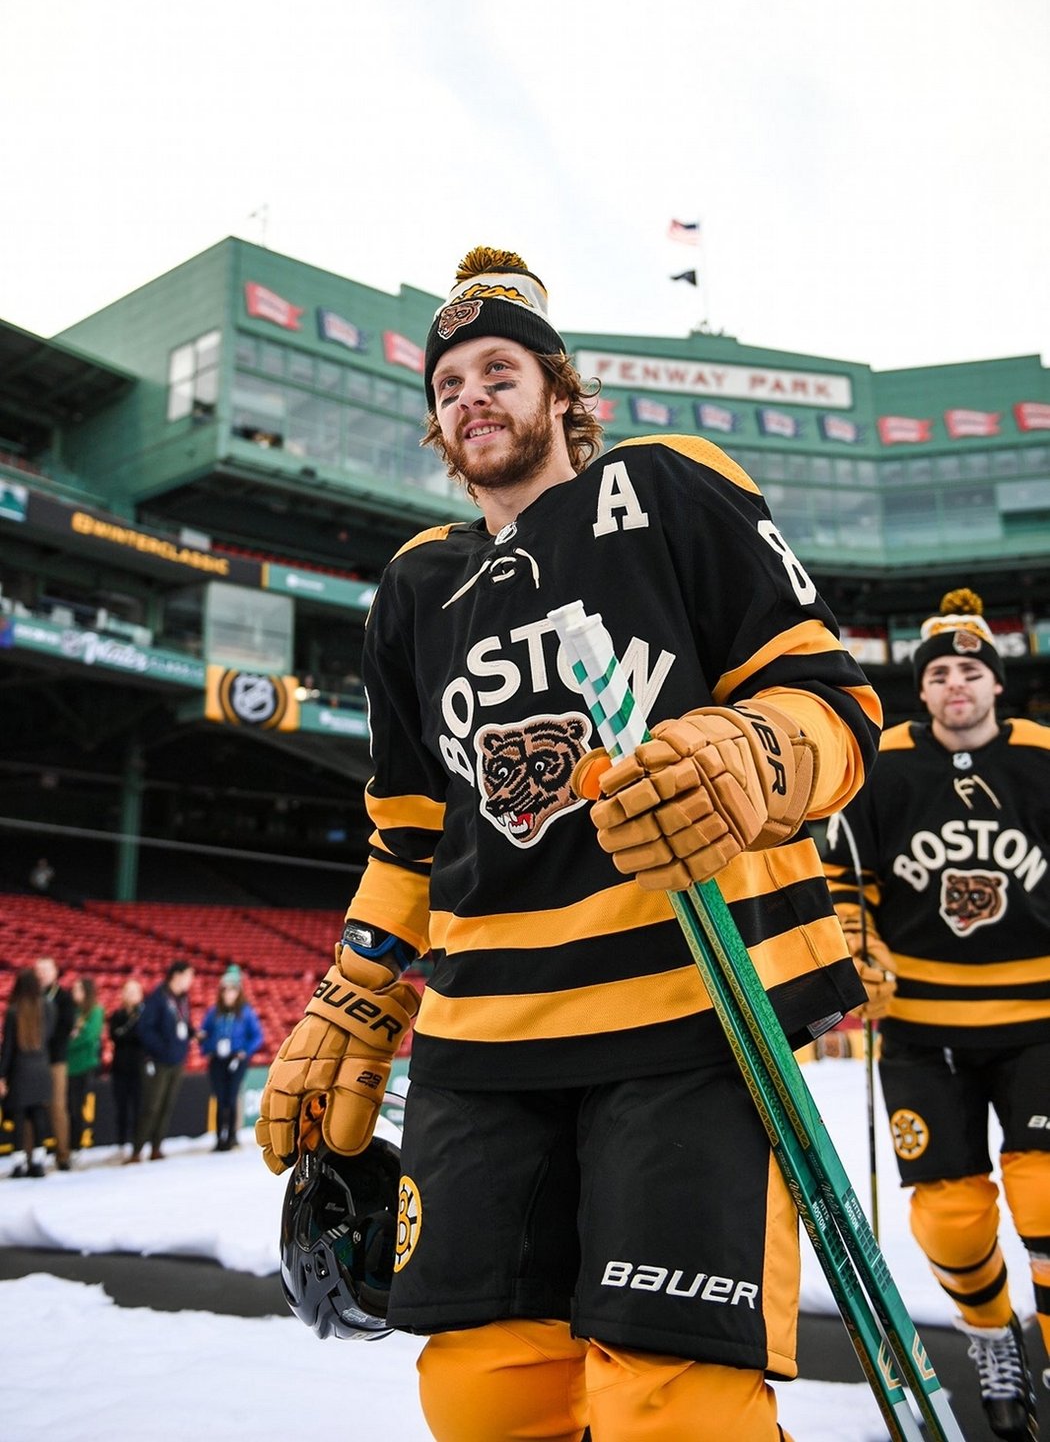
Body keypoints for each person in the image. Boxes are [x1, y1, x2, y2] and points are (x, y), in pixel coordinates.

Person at [256, 245, 881, 1442]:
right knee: (482, 1393)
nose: (471, 396)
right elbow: (410, 829)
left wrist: (752, 753)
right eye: (448, 386)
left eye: (499, 369)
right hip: (480, 1036)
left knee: (671, 1404)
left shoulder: (668, 486)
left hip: (686, 1005)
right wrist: (362, 985)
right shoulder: (411, 588)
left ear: (559, 391)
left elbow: (834, 707)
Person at [823, 588, 1050, 1442]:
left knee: (1047, 1192)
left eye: (971, 671)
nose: (957, 684)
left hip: (1039, 1014)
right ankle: (992, 1340)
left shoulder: (1044, 756)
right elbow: (846, 881)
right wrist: (857, 944)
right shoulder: (882, 765)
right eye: (941, 673)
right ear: (922, 690)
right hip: (920, 1019)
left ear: (997, 684)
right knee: (952, 1217)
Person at [127, 961, 195, 1163]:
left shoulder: (183, 999)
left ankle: (156, 1147)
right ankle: (137, 1150)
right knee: (151, 1106)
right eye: (188, 976)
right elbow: (145, 1029)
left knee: (167, 1106)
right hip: (158, 1062)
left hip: (176, 1061)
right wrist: (162, 1049)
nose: (191, 981)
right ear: (176, 975)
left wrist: (192, 1034)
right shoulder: (157, 998)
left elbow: (182, 1024)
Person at [198, 966, 264, 1151]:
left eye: (232, 990)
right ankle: (219, 1137)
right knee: (220, 1097)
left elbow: (257, 1036)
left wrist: (245, 1051)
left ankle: (233, 1136)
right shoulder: (213, 1012)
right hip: (218, 1060)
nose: (228, 994)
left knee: (232, 1096)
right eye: (225, 990)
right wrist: (207, 1049)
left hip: (237, 1059)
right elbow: (204, 1033)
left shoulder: (246, 1012)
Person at [0, 969, 55, 1178]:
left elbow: (7, 1048)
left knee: (19, 1118)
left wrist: (2, 1075)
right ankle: (39, 1162)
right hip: (41, 1066)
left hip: (20, 1069)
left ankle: (19, 1163)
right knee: (39, 1115)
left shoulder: (14, 1011)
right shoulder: (48, 1007)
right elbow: (49, 1037)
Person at [34, 956, 74, 1172]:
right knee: (33, 1108)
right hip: (32, 1062)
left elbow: (65, 1028)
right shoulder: (29, 995)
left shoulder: (63, 997)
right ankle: (32, 1154)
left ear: (55, 972)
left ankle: (63, 1154)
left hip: (55, 1060)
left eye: (46, 969)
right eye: (38, 969)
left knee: (57, 1107)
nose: (42, 973)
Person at [66, 975, 104, 1158]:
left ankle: (76, 1145)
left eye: (78, 989)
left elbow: (88, 1037)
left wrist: (70, 1041)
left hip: (83, 1066)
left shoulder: (95, 1011)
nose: (74, 993)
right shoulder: (72, 1011)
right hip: (68, 1066)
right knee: (67, 1107)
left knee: (76, 1107)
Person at [107, 977, 145, 1157]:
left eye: (134, 992)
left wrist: (126, 1034)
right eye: (127, 991)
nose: (130, 996)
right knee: (121, 1108)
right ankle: (121, 1143)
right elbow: (115, 1036)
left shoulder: (144, 1016)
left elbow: (141, 1038)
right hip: (120, 1067)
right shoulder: (117, 1015)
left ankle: (137, 1143)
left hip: (138, 1068)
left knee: (138, 1107)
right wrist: (128, 1034)